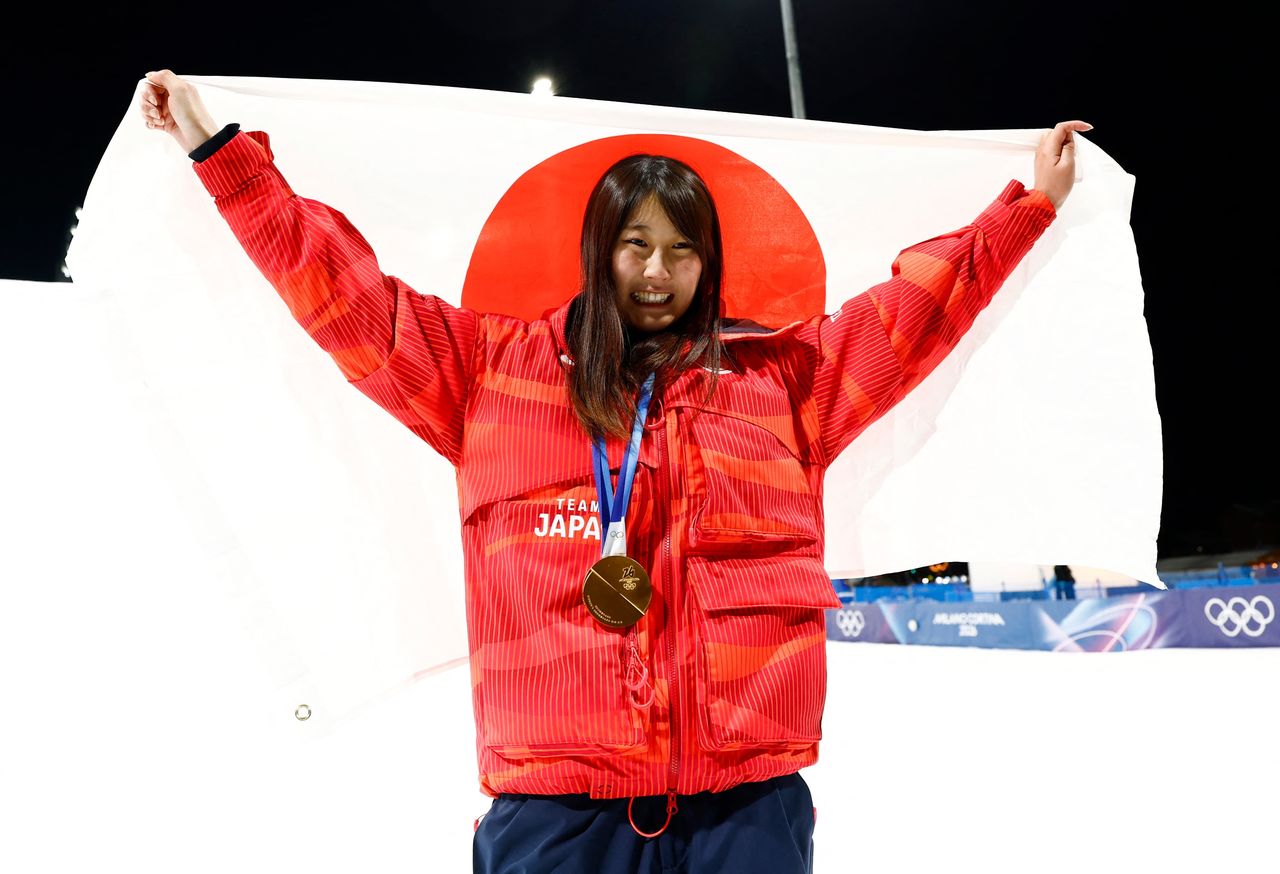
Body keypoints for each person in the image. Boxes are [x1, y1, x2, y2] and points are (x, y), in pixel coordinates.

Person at [140, 68, 1088, 873]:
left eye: (683, 250)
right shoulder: (486, 374)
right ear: (600, 250)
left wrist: (1027, 209)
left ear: (709, 264)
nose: (657, 272)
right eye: (637, 244)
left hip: (746, 808)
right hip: (558, 812)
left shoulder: (785, 385)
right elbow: (340, 292)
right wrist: (221, 155)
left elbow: (915, 317)